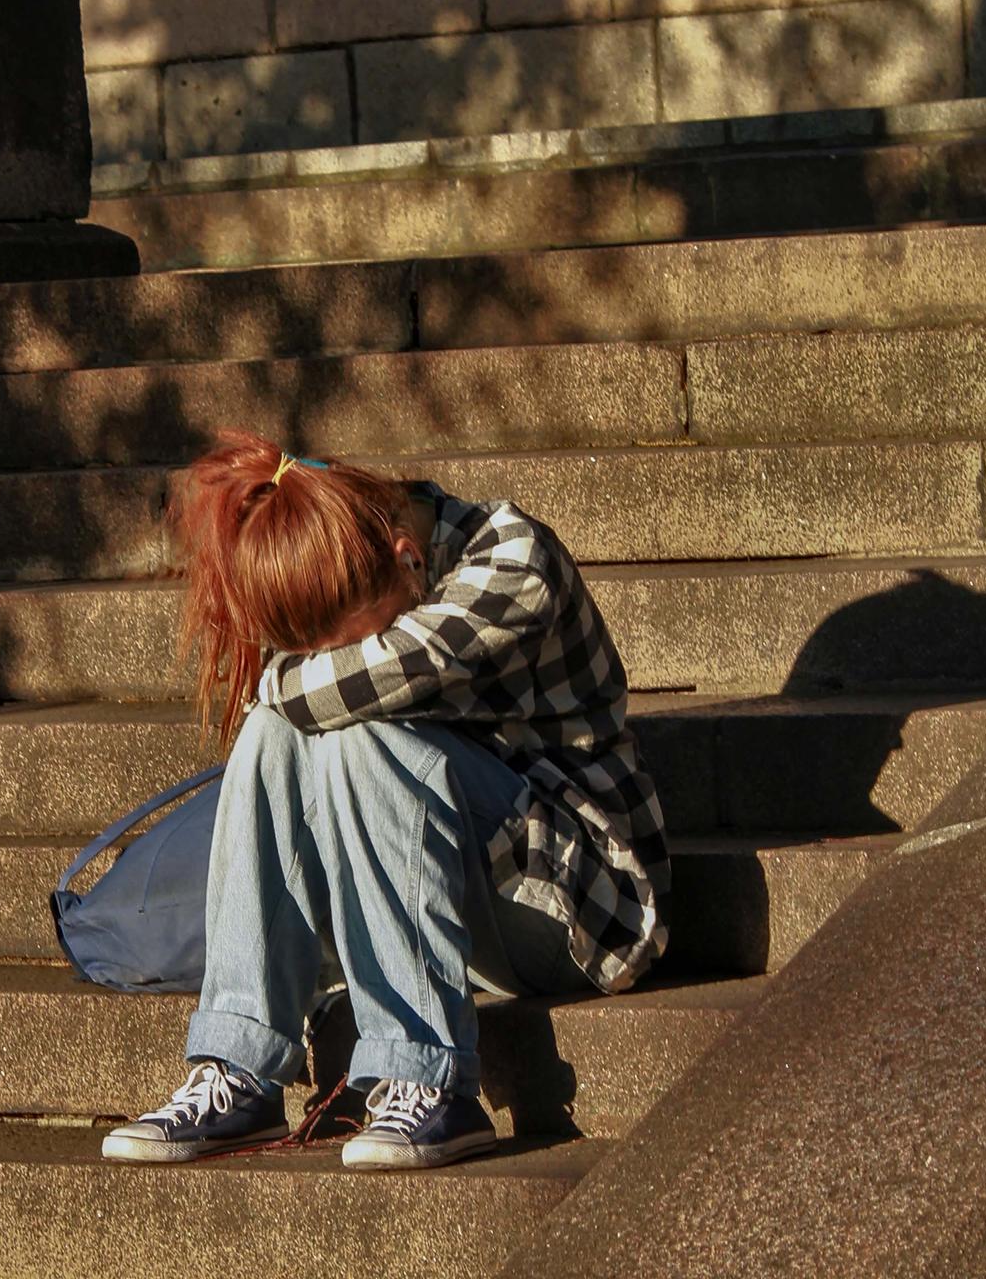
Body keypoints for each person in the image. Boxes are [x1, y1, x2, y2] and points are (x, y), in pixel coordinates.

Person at [101, 432, 669, 1171]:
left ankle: (427, 1080)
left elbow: (330, 688)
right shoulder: (366, 567)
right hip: (457, 904)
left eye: (353, 639)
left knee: (348, 728)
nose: (334, 659)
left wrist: (281, 683)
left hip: (582, 908)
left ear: (407, 555)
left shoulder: (511, 560)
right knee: (287, 732)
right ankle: (239, 1063)